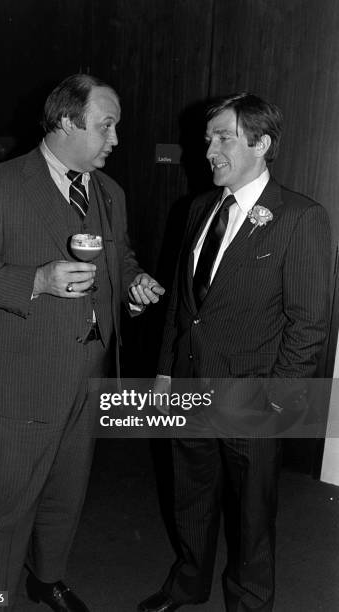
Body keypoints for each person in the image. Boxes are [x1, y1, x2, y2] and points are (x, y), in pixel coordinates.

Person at [0, 74, 164, 611]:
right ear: (67, 122)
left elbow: (121, 258)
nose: (114, 139)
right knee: (9, 508)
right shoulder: (3, 184)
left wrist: (133, 285)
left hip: (89, 376)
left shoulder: (110, 192)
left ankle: (48, 577)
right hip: (26, 379)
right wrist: (35, 281)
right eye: (105, 125)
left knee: (66, 497)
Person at [138, 93, 331, 612]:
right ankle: (188, 583)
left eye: (223, 137)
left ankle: (248, 601)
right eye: (208, 139)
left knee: (251, 514)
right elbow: (183, 303)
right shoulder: (199, 208)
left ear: (261, 143)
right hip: (189, 385)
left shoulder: (301, 218)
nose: (209, 150)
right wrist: (163, 374)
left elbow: (310, 325)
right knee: (191, 497)